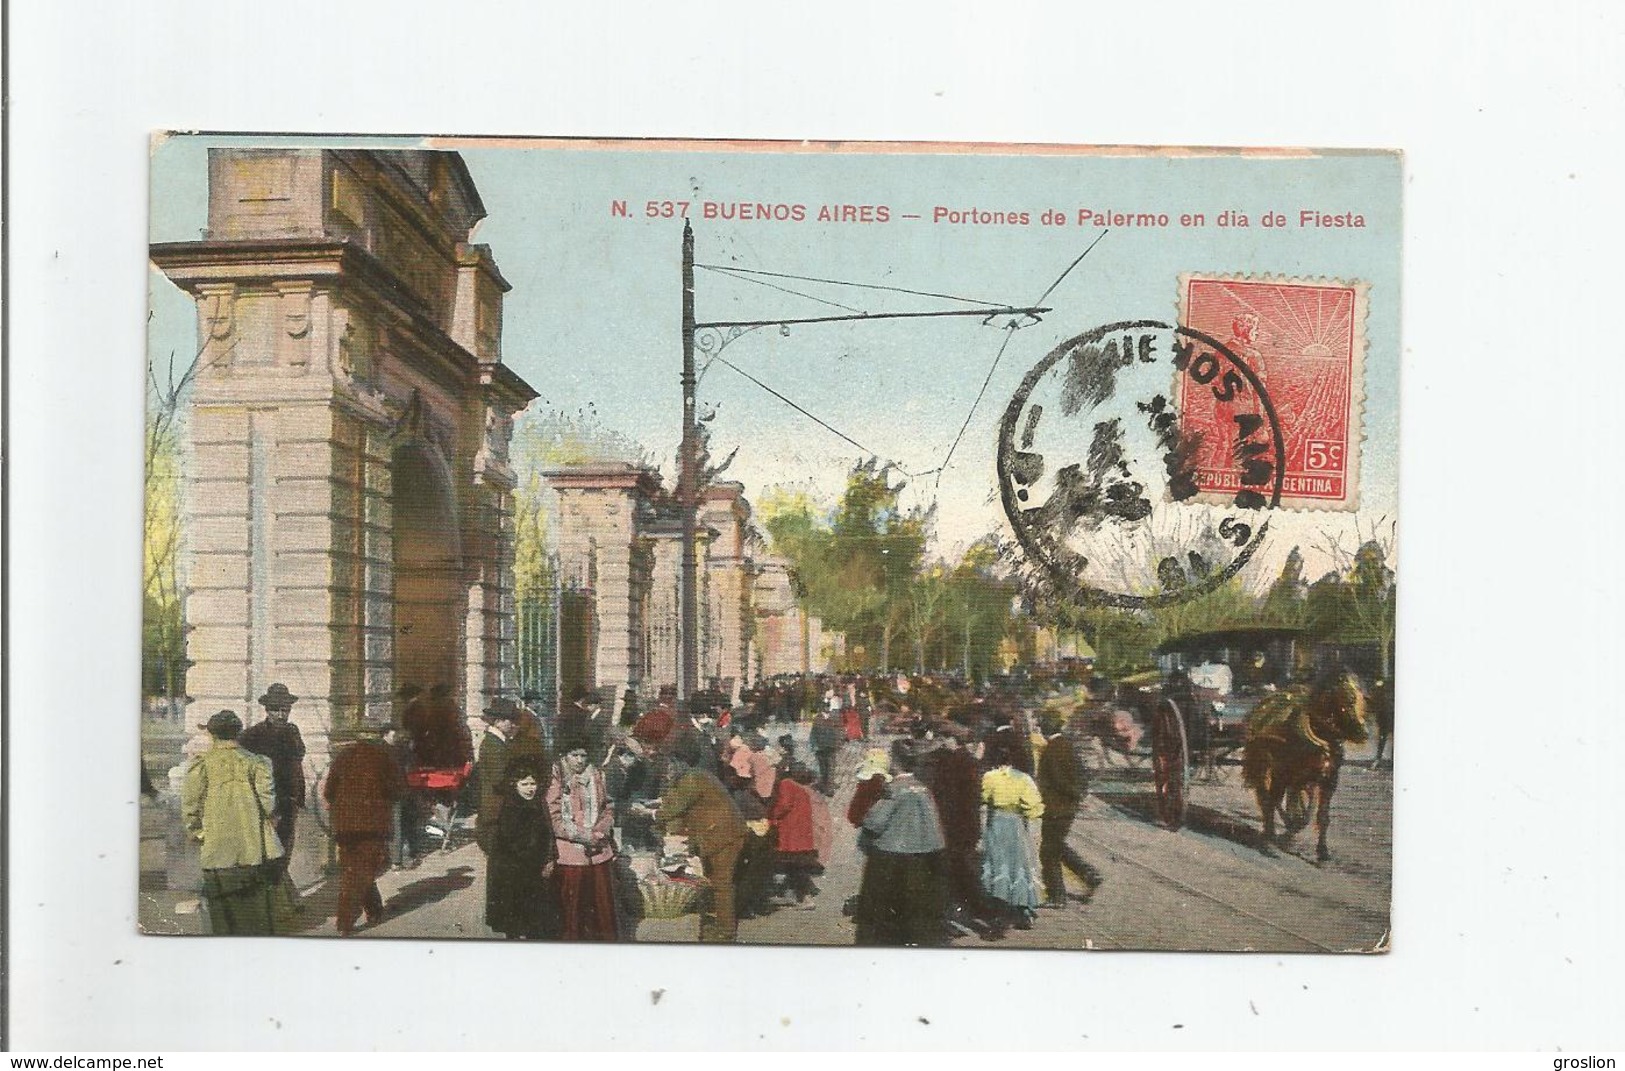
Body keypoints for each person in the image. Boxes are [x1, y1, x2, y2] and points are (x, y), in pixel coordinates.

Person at [182, 710, 285, 935]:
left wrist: (197, 833)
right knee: (255, 911)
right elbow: (268, 804)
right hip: (253, 847)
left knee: (222, 914)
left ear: (211, 734)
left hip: (217, 847)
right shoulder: (257, 762)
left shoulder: (202, 764)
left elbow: (190, 806)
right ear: (238, 733)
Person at [640, 733, 747, 942]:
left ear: (681, 762)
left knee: (721, 884)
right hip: (721, 833)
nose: (669, 766)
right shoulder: (696, 776)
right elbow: (675, 800)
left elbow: (673, 808)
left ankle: (726, 932)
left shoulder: (691, 779)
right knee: (716, 881)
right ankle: (719, 923)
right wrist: (654, 803)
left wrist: (648, 813)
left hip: (724, 835)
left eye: (672, 761)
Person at [855, 740, 948, 947]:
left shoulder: (893, 789)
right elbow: (934, 826)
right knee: (913, 902)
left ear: (895, 764)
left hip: (890, 853)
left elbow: (875, 822)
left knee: (885, 904)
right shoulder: (923, 789)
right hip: (919, 855)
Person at [920, 722, 1004, 939]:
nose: (940, 741)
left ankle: (988, 917)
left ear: (952, 740)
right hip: (962, 828)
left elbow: (953, 800)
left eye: (944, 738)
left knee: (959, 875)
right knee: (957, 875)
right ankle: (972, 918)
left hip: (955, 829)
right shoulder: (966, 761)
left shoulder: (956, 763)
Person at [323, 721, 406, 936]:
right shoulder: (386, 758)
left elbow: (329, 790)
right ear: (377, 736)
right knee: (363, 869)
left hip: (344, 824)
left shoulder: (343, 756)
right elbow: (398, 791)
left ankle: (375, 909)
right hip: (372, 825)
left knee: (353, 866)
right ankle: (345, 921)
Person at [547, 739, 619, 941]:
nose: (579, 760)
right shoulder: (557, 777)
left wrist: (601, 831)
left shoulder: (597, 776)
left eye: (583, 755)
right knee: (573, 907)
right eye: (574, 755)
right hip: (571, 852)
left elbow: (608, 808)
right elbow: (553, 817)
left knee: (601, 905)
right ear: (565, 755)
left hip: (598, 850)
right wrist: (583, 835)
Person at [485, 756, 560, 940]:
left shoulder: (538, 803)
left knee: (535, 921)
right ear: (514, 784)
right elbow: (509, 844)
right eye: (524, 784)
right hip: (513, 873)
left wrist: (550, 857)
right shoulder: (510, 808)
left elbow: (548, 832)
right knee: (515, 920)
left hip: (534, 870)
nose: (530, 788)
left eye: (532, 783)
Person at [238, 682, 306, 869]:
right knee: (265, 849)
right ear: (267, 710)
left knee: (285, 846)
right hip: (265, 801)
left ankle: (279, 883)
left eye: (286, 710)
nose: (282, 714)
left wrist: (298, 796)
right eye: (276, 710)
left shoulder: (293, 731)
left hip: (289, 800)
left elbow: (298, 759)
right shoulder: (252, 735)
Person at [982, 746, 1046, 930]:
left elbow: (984, 797)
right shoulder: (1024, 779)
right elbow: (1034, 806)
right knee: (1019, 863)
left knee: (997, 862)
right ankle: (1023, 909)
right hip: (1016, 822)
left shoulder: (989, 777)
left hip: (996, 822)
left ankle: (998, 908)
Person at [1035, 711, 1090, 908]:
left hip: (1055, 808)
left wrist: (1073, 794)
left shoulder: (1051, 750)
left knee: (1048, 852)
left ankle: (1057, 896)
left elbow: (1057, 781)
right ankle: (1089, 875)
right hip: (1067, 809)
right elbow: (1084, 773)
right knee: (1056, 846)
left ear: (1045, 729)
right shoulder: (1068, 745)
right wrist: (1080, 795)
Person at [767, 769, 820, 907]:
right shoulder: (801, 789)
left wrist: (772, 816)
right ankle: (792, 894)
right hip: (801, 833)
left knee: (796, 865)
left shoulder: (786, 784)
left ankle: (805, 898)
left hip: (792, 833)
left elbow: (784, 804)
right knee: (795, 865)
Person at [475, 698, 520, 853]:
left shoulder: (500, 742)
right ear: (498, 721)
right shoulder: (493, 745)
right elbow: (499, 780)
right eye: (510, 720)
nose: (513, 724)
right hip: (496, 810)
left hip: (499, 808)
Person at [809, 706, 842, 796]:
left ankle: (829, 787)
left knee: (831, 767)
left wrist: (839, 743)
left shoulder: (834, 718)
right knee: (823, 767)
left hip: (831, 747)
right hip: (820, 748)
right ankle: (823, 784)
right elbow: (813, 733)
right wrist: (814, 745)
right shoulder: (817, 719)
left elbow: (839, 732)